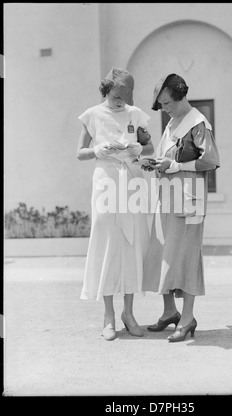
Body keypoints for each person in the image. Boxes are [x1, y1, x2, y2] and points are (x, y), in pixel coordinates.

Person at [142, 73, 220, 342]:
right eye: (161, 105)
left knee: (187, 257)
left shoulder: (198, 122)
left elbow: (209, 161)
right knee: (162, 253)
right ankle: (169, 312)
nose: (164, 109)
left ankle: (187, 319)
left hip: (190, 200)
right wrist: (157, 163)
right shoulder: (173, 122)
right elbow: (170, 156)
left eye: (166, 103)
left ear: (180, 96)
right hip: (168, 196)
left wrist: (176, 166)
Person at [77, 68, 154, 341]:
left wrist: (136, 150)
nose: (119, 101)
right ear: (105, 90)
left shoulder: (135, 114)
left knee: (131, 244)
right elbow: (80, 153)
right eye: (115, 96)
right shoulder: (93, 115)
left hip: (131, 182)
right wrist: (99, 149)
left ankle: (129, 313)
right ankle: (108, 316)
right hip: (106, 182)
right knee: (108, 243)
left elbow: (150, 148)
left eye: (124, 97)